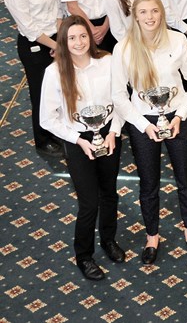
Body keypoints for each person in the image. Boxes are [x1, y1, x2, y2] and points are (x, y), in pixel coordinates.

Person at [111, 0, 187, 264]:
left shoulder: (178, 40)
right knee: (148, 183)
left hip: (176, 117)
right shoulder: (124, 48)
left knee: (185, 178)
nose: (150, 17)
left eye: (154, 11)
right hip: (142, 122)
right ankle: (152, 235)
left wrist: (181, 114)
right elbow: (118, 95)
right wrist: (142, 125)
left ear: (161, 13)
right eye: (144, 12)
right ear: (135, 16)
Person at [40, 16, 125, 280]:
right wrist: (78, 139)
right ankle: (84, 255)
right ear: (64, 41)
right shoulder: (54, 72)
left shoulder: (108, 62)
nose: (79, 42)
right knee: (89, 202)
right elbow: (47, 118)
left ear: (91, 37)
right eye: (72, 38)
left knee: (110, 193)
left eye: (83, 36)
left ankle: (108, 240)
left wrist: (114, 132)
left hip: (109, 135)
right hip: (77, 140)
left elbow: (121, 99)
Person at [4, 0, 62, 155]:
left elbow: (56, 7)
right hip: (35, 47)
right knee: (40, 92)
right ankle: (43, 139)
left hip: (54, 39)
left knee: (59, 88)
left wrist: (59, 39)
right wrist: (56, 45)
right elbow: (29, 29)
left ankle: (57, 129)